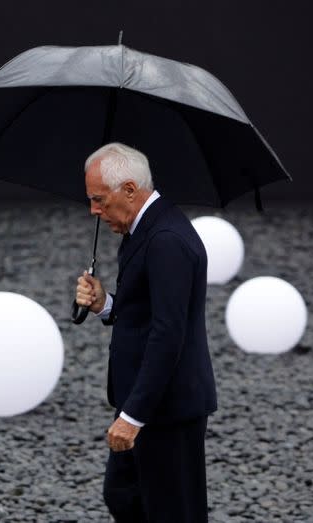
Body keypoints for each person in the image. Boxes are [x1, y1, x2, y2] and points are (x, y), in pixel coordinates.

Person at [75, 143, 217, 522]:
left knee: (172, 512)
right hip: (148, 399)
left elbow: (169, 333)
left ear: (129, 191)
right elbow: (145, 313)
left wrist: (133, 416)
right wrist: (105, 304)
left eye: (98, 199)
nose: (94, 210)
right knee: (124, 496)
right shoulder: (145, 230)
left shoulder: (166, 240)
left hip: (165, 409)